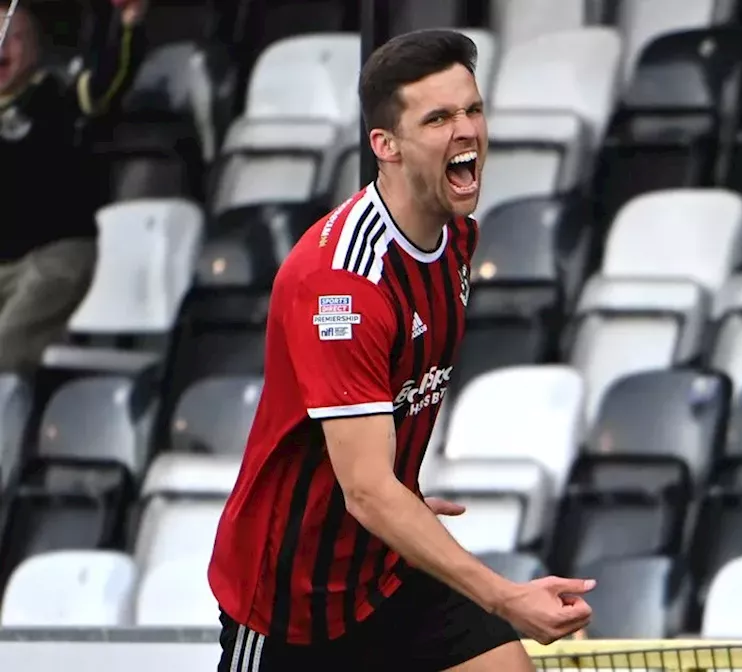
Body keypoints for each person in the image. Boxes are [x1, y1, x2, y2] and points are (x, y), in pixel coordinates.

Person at [208, 29, 594, 672]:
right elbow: (365, 492)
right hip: (291, 598)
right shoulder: (344, 283)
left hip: (384, 571)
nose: (467, 129)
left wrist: (398, 497)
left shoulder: (458, 241)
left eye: (472, 109)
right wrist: (505, 598)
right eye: (438, 117)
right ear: (385, 146)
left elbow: (378, 466)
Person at [0, 0, 146, 373]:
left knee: (6, 345)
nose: (1, 49)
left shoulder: (59, 95)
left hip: (54, 258)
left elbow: (109, 81)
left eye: (13, 37)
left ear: (35, 46)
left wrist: (128, 23)